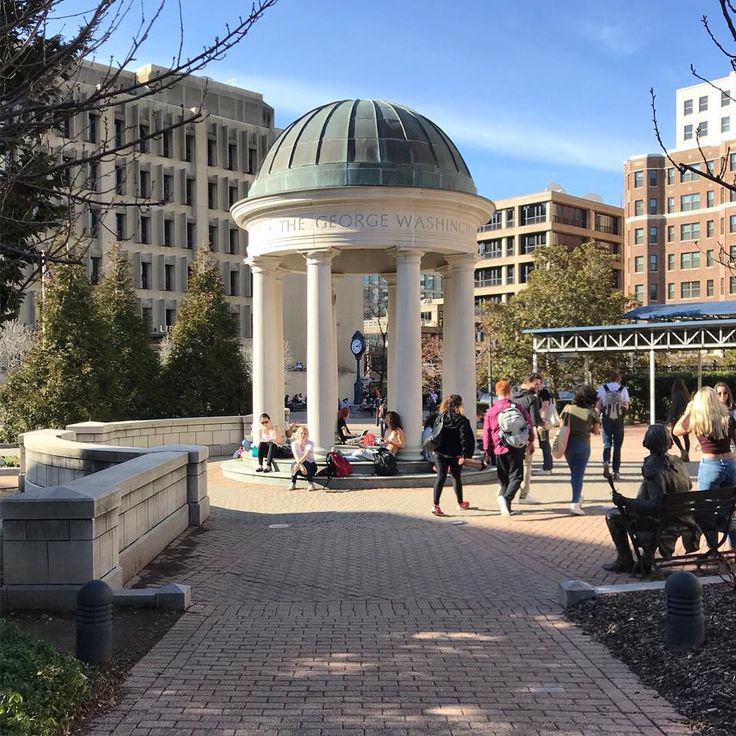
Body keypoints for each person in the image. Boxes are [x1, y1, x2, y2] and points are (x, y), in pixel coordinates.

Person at [602, 424, 695, 573]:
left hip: (664, 520)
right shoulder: (678, 461)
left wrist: (625, 501)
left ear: (648, 442)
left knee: (612, 515)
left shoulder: (652, 466)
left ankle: (624, 560)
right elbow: (688, 486)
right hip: (684, 517)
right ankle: (645, 559)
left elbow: (655, 506)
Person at [483, 379, 534, 516]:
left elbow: (486, 433)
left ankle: (506, 506)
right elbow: (529, 424)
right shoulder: (517, 407)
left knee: (504, 479)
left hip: (499, 448)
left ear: (497, 392)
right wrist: (530, 440)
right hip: (517, 445)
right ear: (509, 391)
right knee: (517, 477)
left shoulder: (491, 411)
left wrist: (487, 451)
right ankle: (506, 500)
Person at [674, 386, 736, 492]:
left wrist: (687, 413)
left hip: (710, 464)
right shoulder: (728, 418)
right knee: (728, 502)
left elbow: (676, 431)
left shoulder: (698, 420)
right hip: (730, 463)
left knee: (707, 502)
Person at [430, 395, 476, 516]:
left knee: (440, 477)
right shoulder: (463, 420)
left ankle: (436, 505)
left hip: (440, 452)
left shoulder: (440, 418)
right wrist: (465, 455)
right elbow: (466, 439)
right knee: (456, 477)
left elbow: (434, 433)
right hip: (455, 454)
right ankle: (460, 503)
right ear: (459, 405)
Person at [560, 384, 601, 515]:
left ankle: (577, 496)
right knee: (578, 474)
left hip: (567, 444)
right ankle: (574, 502)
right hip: (583, 445)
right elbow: (596, 431)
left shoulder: (567, 408)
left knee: (574, 473)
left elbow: (562, 426)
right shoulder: (592, 412)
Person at [511, 372, 544, 504]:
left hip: (509, 436)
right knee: (527, 464)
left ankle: (507, 490)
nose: (538, 387)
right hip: (524, 436)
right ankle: (524, 495)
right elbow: (534, 420)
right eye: (536, 384)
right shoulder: (532, 398)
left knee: (513, 464)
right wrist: (543, 424)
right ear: (529, 382)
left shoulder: (512, 394)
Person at [597, 370, 630, 481]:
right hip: (618, 420)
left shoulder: (603, 388)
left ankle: (606, 461)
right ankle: (616, 471)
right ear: (619, 379)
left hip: (606, 419)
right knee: (617, 446)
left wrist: (597, 418)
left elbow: (598, 405)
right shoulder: (623, 389)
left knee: (607, 443)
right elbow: (626, 405)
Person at [667, 379, 691, 462]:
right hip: (686, 416)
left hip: (678, 417)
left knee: (674, 434)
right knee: (686, 437)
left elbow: (674, 406)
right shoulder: (686, 394)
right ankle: (686, 453)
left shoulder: (676, 394)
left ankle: (682, 450)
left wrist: (670, 418)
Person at [288, 425, 318, 491]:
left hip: (311, 466)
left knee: (304, 463)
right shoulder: (294, 444)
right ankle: (293, 483)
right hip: (300, 468)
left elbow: (306, 455)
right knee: (293, 464)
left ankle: (311, 484)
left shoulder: (310, 443)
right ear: (298, 434)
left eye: (305, 433)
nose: (303, 435)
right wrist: (300, 465)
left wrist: (300, 464)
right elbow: (295, 455)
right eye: (301, 433)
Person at [537, 383, 555, 475]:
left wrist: (542, 420)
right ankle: (548, 466)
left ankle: (547, 467)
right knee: (544, 443)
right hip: (543, 421)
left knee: (544, 444)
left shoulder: (544, 392)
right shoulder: (544, 391)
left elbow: (545, 406)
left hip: (543, 422)